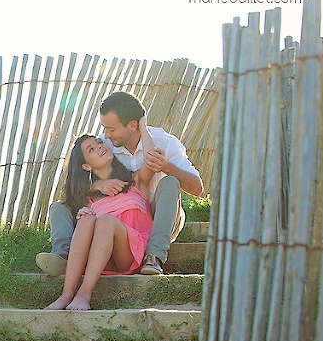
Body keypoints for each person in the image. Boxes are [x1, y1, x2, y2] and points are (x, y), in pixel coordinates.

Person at [36, 91, 204, 278]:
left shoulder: (165, 143)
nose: (105, 136)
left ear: (133, 125)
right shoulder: (106, 144)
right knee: (60, 207)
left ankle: (154, 256)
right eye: (104, 129)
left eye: (111, 129)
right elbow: (77, 178)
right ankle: (64, 256)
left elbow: (198, 188)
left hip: (158, 217)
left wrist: (166, 167)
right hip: (117, 223)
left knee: (170, 182)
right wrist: (97, 186)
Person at [43, 116, 157, 311]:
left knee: (105, 221)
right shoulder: (88, 198)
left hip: (129, 252)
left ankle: (83, 295)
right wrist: (85, 208)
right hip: (101, 256)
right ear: (86, 166)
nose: (100, 147)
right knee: (87, 219)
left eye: (98, 143)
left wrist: (143, 125)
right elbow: (75, 204)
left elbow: (152, 158)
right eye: (91, 150)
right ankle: (65, 295)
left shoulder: (135, 181)